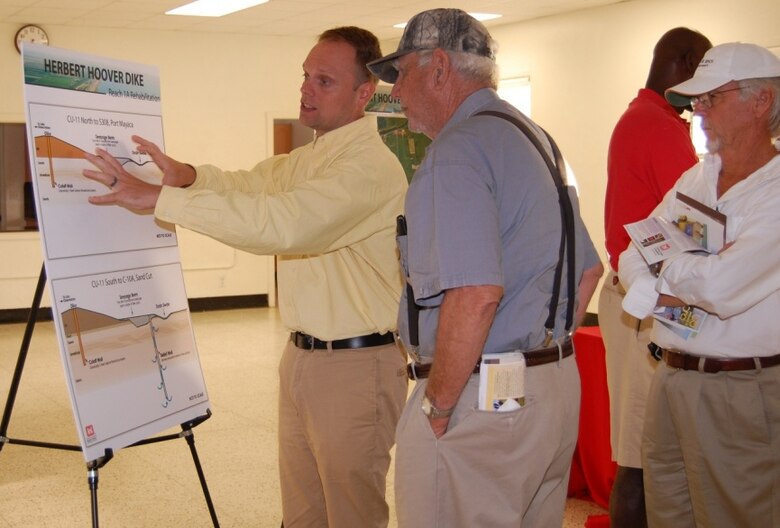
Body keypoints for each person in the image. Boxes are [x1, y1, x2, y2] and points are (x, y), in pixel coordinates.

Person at [83, 26, 409, 528]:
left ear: (365, 93)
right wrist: (188, 176)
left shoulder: (368, 168)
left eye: (324, 80)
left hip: (357, 365)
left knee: (352, 513)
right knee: (302, 512)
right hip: (301, 358)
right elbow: (252, 185)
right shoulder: (310, 158)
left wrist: (160, 198)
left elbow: (282, 224)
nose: (305, 89)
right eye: (305, 76)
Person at [367, 9, 604, 527]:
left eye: (400, 75)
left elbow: (475, 293)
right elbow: (589, 271)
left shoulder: (457, 153)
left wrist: (438, 406)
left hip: (479, 402)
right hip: (552, 390)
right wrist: (538, 353)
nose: (396, 94)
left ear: (438, 69)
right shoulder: (536, 138)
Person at [618, 42, 780, 528]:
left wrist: (668, 267)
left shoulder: (774, 191)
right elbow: (631, 253)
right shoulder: (696, 178)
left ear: (761, 102)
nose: (697, 111)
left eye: (711, 98)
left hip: (739, 390)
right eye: (696, 100)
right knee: (668, 515)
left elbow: (722, 289)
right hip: (670, 377)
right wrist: (668, 289)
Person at [599, 27, 712, 527]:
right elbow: (702, 224)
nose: (703, 98)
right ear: (685, 61)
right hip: (646, 303)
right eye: (703, 76)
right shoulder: (659, 126)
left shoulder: (642, 116)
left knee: (644, 450)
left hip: (642, 298)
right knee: (642, 456)